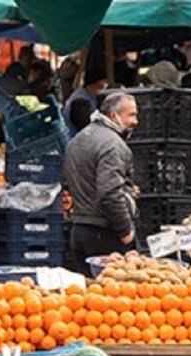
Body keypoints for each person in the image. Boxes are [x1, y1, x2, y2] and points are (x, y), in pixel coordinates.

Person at [61, 92, 140, 276]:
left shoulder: (78, 139)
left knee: (89, 297)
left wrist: (127, 189)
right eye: (132, 115)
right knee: (112, 298)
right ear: (114, 116)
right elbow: (109, 193)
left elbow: (69, 180)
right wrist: (125, 230)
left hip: (79, 230)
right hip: (104, 233)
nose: (136, 121)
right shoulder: (113, 145)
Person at [63, 65, 107, 130]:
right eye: (103, 82)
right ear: (95, 82)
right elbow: (84, 125)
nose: (105, 85)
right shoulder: (80, 100)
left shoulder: (90, 95)